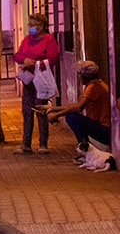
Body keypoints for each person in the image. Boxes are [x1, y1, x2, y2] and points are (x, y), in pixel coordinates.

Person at [14, 13, 59, 155]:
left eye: (33, 25)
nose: (30, 28)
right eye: (30, 25)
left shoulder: (49, 40)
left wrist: (35, 63)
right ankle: (26, 144)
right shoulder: (27, 39)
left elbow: (52, 59)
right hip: (28, 81)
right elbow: (17, 55)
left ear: (41, 27)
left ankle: (43, 144)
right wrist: (24, 60)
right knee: (27, 111)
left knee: (40, 111)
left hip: (41, 81)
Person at [44, 61, 110, 154]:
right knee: (71, 113)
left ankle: (84, 148)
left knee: (72, 117)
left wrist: (56, 115)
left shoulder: (93, 87)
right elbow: (75, 105)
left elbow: (79, 107)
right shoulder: (96, 84)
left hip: (104, 129)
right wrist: (53, 109)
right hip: (102, 127)